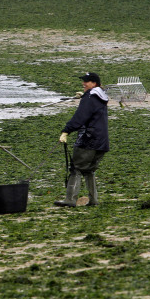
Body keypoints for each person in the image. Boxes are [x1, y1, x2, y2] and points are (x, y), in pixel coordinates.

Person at [55, 72, 109, 208]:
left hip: (88, 140)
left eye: (87, 81)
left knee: (76, 168)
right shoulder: (100, 96)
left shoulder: (90, 97)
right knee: (89, 170)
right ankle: (93, 200)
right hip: (102, 141)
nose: (83, 83)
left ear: (94, 84)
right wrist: (84, 96)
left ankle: (70, 200)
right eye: (83, 81)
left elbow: (80, 117)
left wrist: (66, 131)